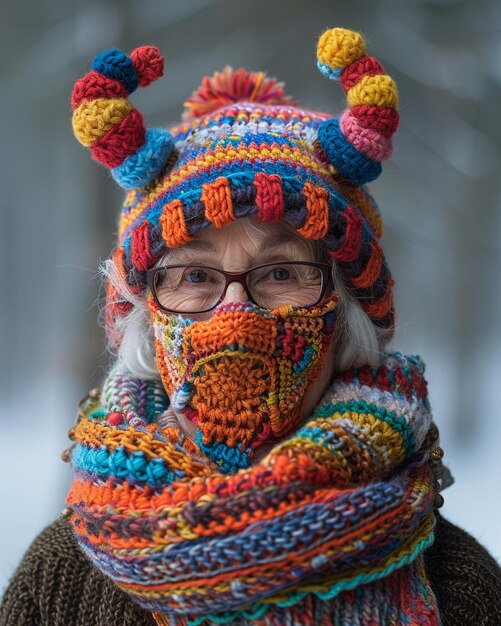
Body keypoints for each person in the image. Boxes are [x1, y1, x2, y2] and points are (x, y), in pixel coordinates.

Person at [1, 27, 500, 626]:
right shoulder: (60, 583)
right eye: (194, 278)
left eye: (282, 272)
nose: (235, 314)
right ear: (145, 320)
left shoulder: (456, 583)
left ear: (348, 314)